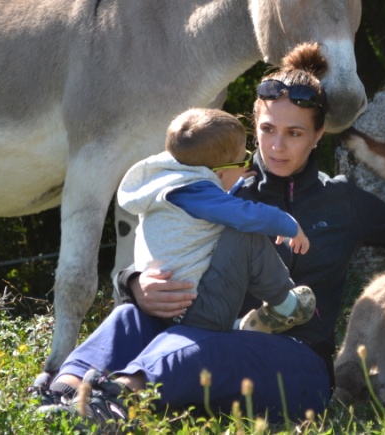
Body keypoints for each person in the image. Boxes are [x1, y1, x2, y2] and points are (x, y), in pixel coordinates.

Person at [33, 42, 385, 427]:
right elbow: (156, 244)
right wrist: (134, 284)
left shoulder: (343, 202)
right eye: (267, 129)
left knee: (194, 349)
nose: (277, 145)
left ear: (318, 134)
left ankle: (114, 400)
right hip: (209, 338)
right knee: (128, 322)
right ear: (253, 126)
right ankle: (62, 388)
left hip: (296, 366)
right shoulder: (220, 187)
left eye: (295, 133)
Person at [120, 106, 315, 335]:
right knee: (244, 233)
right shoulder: (195, 193)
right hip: (197, 314)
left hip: (163, 316)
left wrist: (230, 183)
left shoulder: (168, 184)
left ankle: (229, 324)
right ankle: (287, 307)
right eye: (244, 159)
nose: (247, 166)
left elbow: (210, 210)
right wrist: (287, 223)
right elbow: (244, 216)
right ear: (220, 173)